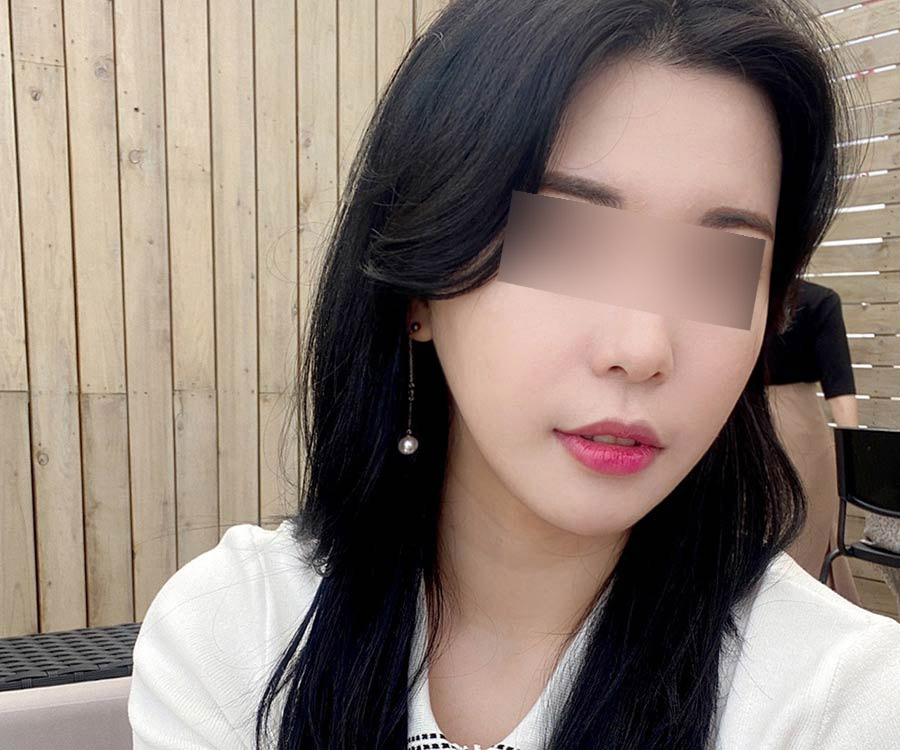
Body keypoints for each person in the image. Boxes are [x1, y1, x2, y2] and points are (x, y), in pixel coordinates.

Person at [127, 1, 900, 749]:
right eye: (565, 242)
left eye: (714, 266)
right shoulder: (236, 635)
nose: (642, 346)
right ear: (421, 287)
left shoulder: (841, 699)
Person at [763, 279, 863, 605]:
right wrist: (854, 461)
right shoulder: (820, 300)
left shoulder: (734, 296)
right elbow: (839, 385)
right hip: (800, 433)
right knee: (808, 540)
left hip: (737, 426)